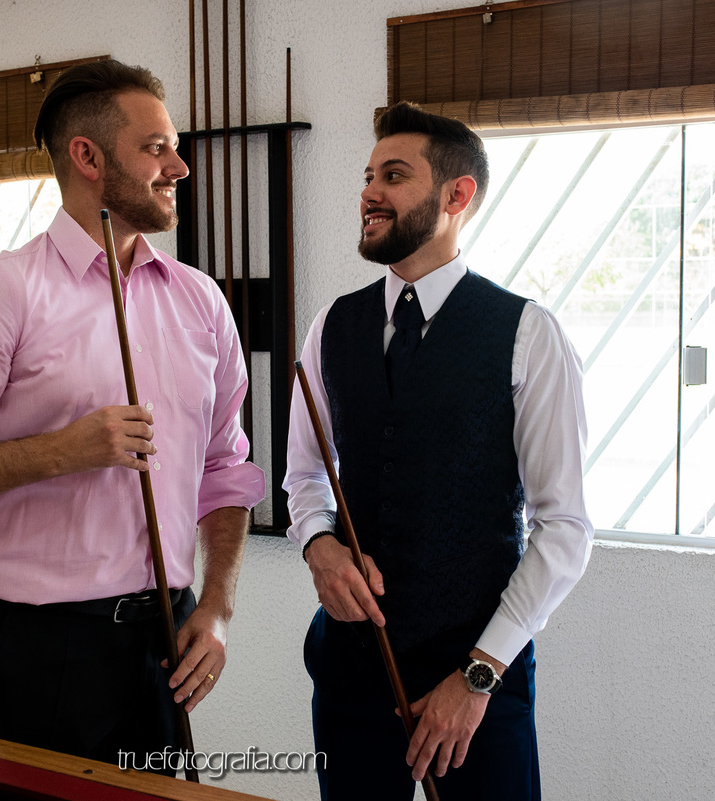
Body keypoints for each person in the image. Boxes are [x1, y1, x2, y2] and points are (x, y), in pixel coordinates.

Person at [0, 59, 264, 769]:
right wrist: (60, 451)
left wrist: (217, 607)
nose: (179, 167)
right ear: (88, 157)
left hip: (164, 640)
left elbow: (226, 470)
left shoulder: (202, 301)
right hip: (37, 649)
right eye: (156, 148)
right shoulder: (2, 290)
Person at [284, 102, 593, 800]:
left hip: (479, 679)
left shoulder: (529, 335)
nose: (370, 192)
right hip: (352, 673)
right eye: (368, 176)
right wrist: (319, 546)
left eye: (394, 176)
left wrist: (478, 675)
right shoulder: (332, 325)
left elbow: (565, 527)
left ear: (458, 195)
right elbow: (304, 474)